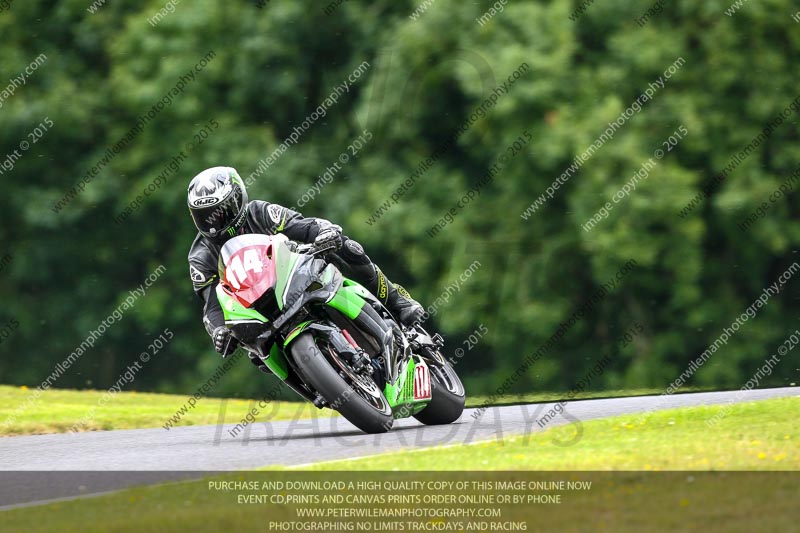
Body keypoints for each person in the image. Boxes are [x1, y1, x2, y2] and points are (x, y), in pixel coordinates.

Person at [187, 166, 423, 357]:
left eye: (219, 212)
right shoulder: (200, 256)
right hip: (260, 312)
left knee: (347, 247)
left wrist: (323, 231)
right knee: (254, 353)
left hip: (292, 277)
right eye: (204, 217)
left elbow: (300, 225)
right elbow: (212, 305)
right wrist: (218, 330)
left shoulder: (259, 213)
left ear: (237, 199)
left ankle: (396, 301)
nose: (213, 223)